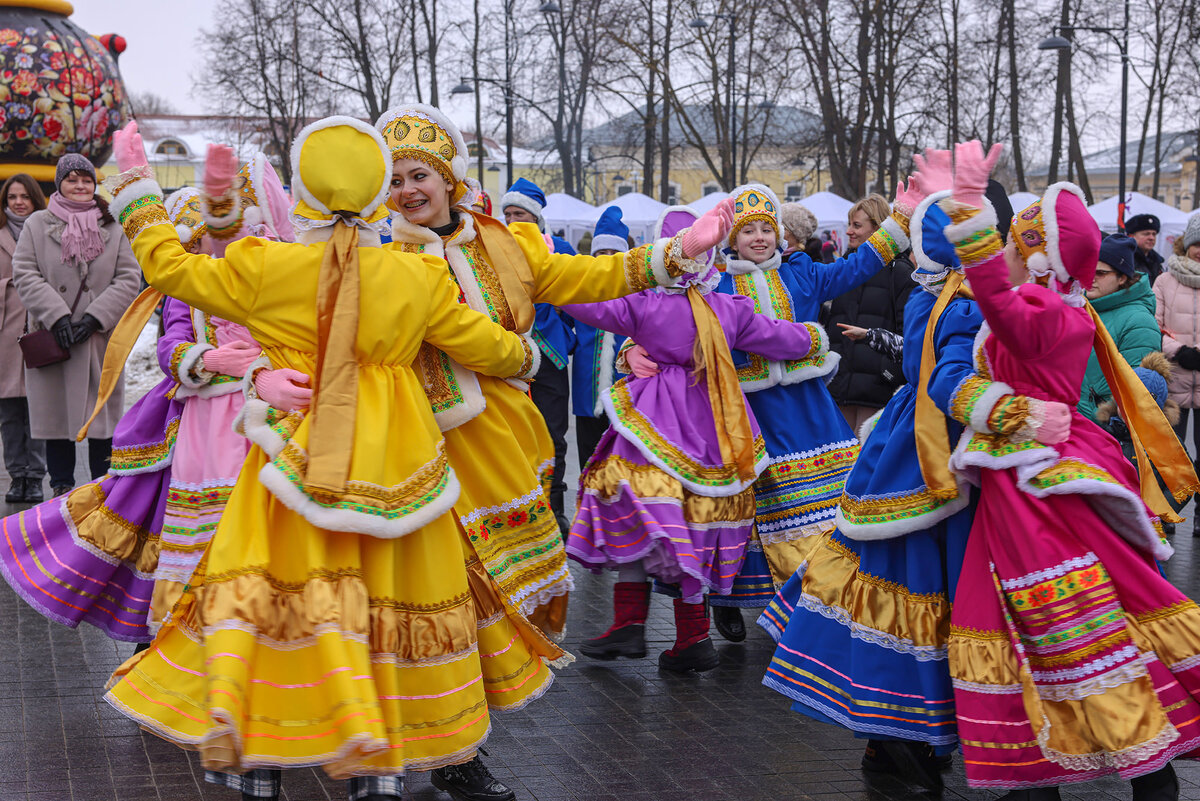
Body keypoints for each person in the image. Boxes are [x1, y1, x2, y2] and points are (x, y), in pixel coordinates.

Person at [101, 117, 569, 801]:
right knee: (391, 610)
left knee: (277, 605)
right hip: (403, 481)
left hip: (294, 475)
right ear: (381, 190)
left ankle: (261, 759)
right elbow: (487, 347)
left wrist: (140, 188)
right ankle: (378, 768)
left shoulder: (268, 266)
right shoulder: (416, 275)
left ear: (306, 196)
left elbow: (170, 267)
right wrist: (531, 355)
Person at [944, 145, 1200, 800]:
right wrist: (997, 407)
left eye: (1020, 236)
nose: (1008, 246)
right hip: (1023, 475)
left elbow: (997, 305)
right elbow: (985, 347)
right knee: (1039, 619)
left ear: (1043, 253)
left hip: (1039, 488)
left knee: (1062, 620)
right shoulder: (1063, 305)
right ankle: (1050, 772)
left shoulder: (1052, 313)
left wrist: (971, 211)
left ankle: (1142, 769)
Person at [758, 172, 1000, 791]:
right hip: (926, 451)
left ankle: (911, 734)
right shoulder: (955, 297)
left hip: (934, 447)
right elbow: (939, 376)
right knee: (911, 586)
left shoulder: (960, 292)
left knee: (925, 591)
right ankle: (900, 737)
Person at [565, 219, 827, 672]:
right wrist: (817, 337)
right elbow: (783, 338)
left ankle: (632, 623)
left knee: (642, 513)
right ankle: (692, 636)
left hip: (655, 425)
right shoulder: (729, 308)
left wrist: (542, 280)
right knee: (691, 525)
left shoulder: (645, 304)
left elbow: (586, 304)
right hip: (716, 429)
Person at [697, 183, 916, 642]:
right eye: (748, 231)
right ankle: (729, 599)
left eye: (766, 229)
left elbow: (859, 265)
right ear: (730, 239)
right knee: (749, 508)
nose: (759, 238)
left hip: (808, 408)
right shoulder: (714, 282)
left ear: (779, 234)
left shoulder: (803, 275)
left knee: (819, 504)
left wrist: (899, 220)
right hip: (747, 411)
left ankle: (811, 598)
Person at [12, 154, 141, 496]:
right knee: (56, 422)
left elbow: (129, 277)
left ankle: (102, 493)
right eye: (72, 179)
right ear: (59, 184)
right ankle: (62, 491)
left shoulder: (113, 225)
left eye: (86, 179)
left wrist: (95, 317)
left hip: (98, 340)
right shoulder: (37, 224)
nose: (80, 185)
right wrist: (56, 316)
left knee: (101, 422)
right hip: (56, 340)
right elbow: (24, 273)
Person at [500, 178, 576, 533]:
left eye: (521, 214)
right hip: (509, 355)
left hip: (550, 358)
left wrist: (569, 336)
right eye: (508, 213)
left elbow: (580, 295)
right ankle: (518, 511)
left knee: (553, 434)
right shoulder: (493, 248)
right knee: (511, 435)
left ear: (537, 216)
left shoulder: (559, 248)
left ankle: (554, 509)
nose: (514, 220)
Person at [826, 193, 916, 433]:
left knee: (865, 459)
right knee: (840, 461)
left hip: (876, 389)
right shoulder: (844, 268)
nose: (848, 231)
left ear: (878, 228)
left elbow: (907, 333)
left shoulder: (900, 272)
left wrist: (888, 376)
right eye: (849, 224)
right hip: (840, 384)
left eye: (857, 225)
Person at [1077, 233, 1161, 422]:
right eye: (1089, 269)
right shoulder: (1083, 307)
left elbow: (1135, 391)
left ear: (1122, 278)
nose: (1091, 277)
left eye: (1101, 273)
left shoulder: (1139, 321)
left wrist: (1107, 423)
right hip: (1074, 424)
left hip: (1104, 432)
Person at [0, 173, 47, 504]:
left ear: (35, 200)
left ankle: (36, 475)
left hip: (38, 329)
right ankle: (17, 475)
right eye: (12, 197)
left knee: (39, 407)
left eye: (24, 196)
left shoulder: (46, 234)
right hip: (4, 332)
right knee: (10, 411)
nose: (18, 202)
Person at [572, 206, 630, 470]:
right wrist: (568, 346)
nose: (607, 258)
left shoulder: (637, 293)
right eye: (602, 253)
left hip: (626, 389)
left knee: (622, 459)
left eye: (613, 253)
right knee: (589, 456)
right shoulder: (579, 289)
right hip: (587, 387)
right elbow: (561, 321)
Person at [1154, 214, 1200, 536]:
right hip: (1175, 377)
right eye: (1197, 243)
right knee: (1172, 452)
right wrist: (1179, 351)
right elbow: (1152, 325)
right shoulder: (1165, 281)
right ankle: (1168, 510)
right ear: (1186, 243)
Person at [1127, 213, 1165, 285]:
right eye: (1146, 234)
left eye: (1154, 234)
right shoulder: (1126, 259)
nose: (1151, 238)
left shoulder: (1157, 261)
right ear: (1131, 236)